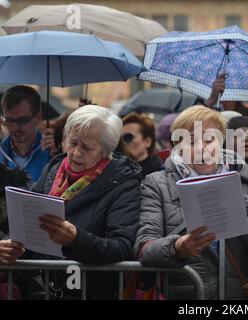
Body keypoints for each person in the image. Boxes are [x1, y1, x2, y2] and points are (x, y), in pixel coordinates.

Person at [0, 105, 142, 299]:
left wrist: (76, 239)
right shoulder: (54, 169)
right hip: (43, 289)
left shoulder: (123, 183)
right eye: (73, 142)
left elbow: (121, 247)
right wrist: (9, 244)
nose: (75, 153)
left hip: (92, 293)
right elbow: (27, 221)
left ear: (106, 150)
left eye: (87, 147)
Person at [135, 105, 248, 299]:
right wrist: (177, 248)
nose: (201, 148)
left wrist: (242, 202)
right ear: (178, 147)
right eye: (191, 141)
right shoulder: (156, 184)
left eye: (209, 140)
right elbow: (145, 249)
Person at [0, 85, 55, 183]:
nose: (15, 127)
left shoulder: (51, 151)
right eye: (9, 120)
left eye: (23, 120)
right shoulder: (1, 150)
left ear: (38, 117)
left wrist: (58, 158)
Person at [122, 112, 162, 178]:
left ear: (147, 142)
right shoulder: (119, 169)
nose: (124, 143)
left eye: (128, 137)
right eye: (121, 139)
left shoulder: (159, 172)